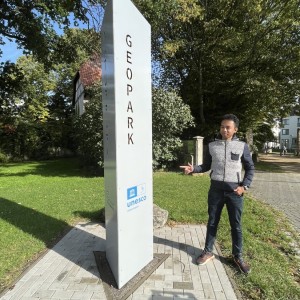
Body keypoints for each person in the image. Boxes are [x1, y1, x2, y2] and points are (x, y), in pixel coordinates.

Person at [180, 114, 255, 274]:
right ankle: (208, 251)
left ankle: (237, 256)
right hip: (215, 190)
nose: (224, 130)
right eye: (222, 126)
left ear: (235, 129)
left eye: (228, 127)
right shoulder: (213, 145)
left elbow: (250, 168)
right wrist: (194, 168)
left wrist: (244, 186)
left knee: (236, 225)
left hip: (235, 192)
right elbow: (206, 165)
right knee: (212, 221)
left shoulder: (242, 146)